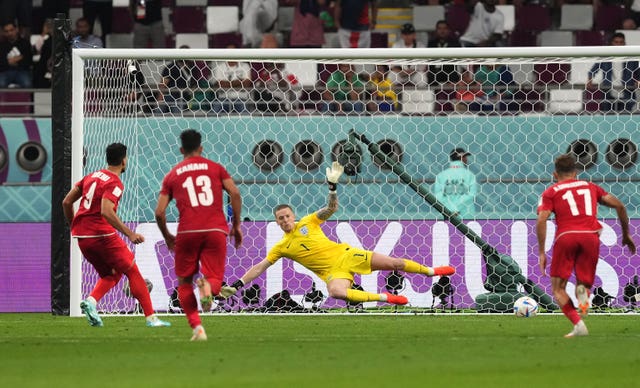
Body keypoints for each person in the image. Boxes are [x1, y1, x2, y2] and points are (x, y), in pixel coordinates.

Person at [218, 161, 455, 307]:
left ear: (293, 216)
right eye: (281, 218)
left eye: (288, 216)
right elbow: (260, 267)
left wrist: (332, 188)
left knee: (394, 263)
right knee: (336, 292)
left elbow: (331, 208)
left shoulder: (309, 222)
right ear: (277, 222)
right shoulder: (282, 246)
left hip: (347, 255)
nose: (285, 220)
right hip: (333, 272)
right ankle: (385, 298)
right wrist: (237, 285)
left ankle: (432, 272)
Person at [62, 143, 171, 328]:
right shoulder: (114, 183)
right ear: (123, 160)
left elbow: (66, 202)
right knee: (132, 270)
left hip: (83, 238)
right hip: (101, 235)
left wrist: (74, 225)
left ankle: (91, 302)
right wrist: (130, 233)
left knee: (112, 274)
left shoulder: (91, 176)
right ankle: (151, 318)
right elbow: (106, 210)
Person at [155, 129, 243, 341]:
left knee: (184, 282)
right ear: (201, 148)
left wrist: (167, 235)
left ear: (181, 149)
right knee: (213, 278)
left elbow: (159, 212)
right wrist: (236, 225)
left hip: (187, 232)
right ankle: (207, 289)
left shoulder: (173, 174)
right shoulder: (216, 168)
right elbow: (235, 193)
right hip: (215, 230)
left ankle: (197, 328)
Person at [536, 154, 636, 338]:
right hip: (591, 237)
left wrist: (542, 251)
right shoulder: (590, 187)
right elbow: (620, 206)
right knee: (583, 282)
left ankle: (578, 323)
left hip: (566, 236)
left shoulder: (551, 191)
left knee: (558, 288)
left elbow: (542, 218)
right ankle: (583, 295)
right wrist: (626, 234)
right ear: (575, 172)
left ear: (555, 174)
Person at [586, 32, 640, 113]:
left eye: (621, 42)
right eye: (616, 42)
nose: (619, 45)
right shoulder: (606, 57)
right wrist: (589, 80)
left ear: (624, 43)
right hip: (608, 93)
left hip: (627, 93)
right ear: (612, 43)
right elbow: (593, 70)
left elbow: (638, 72)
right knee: (608, 118)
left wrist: (638, 81)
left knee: (625, 118)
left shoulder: (630, 58)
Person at [433, 148, 478, 219]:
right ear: (462, 158)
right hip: (466, 216)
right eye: (465, 157)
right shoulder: (470, 175)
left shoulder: (441, 175)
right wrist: (457, 208)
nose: (467, 159)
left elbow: (438, 196)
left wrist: (452, 209)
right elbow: (472, 194)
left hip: (446, 215)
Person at [209, 45, 253, 114]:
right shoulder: (220, 67)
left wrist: (228, 84)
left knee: (245, 115)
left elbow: (246, 85)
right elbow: (221, 86)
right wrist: (240, 81)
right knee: (213, 113)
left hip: (241, 98)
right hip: (223, 98)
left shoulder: (245, 66)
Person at [389, 23, 427, 88]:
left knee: (422, 78)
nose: (407, 36)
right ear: (401, 35)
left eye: (409, 34)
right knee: (390, 76)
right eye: (405, 34)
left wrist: (411, 72)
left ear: (414, 35)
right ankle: (392, 97)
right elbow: (392, 65)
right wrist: (401, 71)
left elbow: (422, 67)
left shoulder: (420, 46)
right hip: (400, 73)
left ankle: (420, 97)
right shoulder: (396, 45)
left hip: (414, 73)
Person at [426, 20, 461, 86]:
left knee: (454, 76)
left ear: (448, 30)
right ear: (436, 30)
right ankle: (432, 96)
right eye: (440, 28)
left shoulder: (455, 43)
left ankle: (453, 96)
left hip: (450, 71)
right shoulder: (431, 43)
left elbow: (459, 60)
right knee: (430, 76)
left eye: (444, 28)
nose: (442, 31)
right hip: (435, 72)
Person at [0, 21, 33, 88]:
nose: (9, 33)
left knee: (27, 84)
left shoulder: (25, 43)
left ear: (16, 29)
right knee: (1, 84)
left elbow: (28, 60)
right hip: (5, 71)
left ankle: (27, 99)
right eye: (6, 31)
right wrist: (10, 61)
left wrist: (12, 61)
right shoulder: (1, 45)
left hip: (21, 71)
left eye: (11, 30)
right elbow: (1, 62)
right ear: (4, 33)